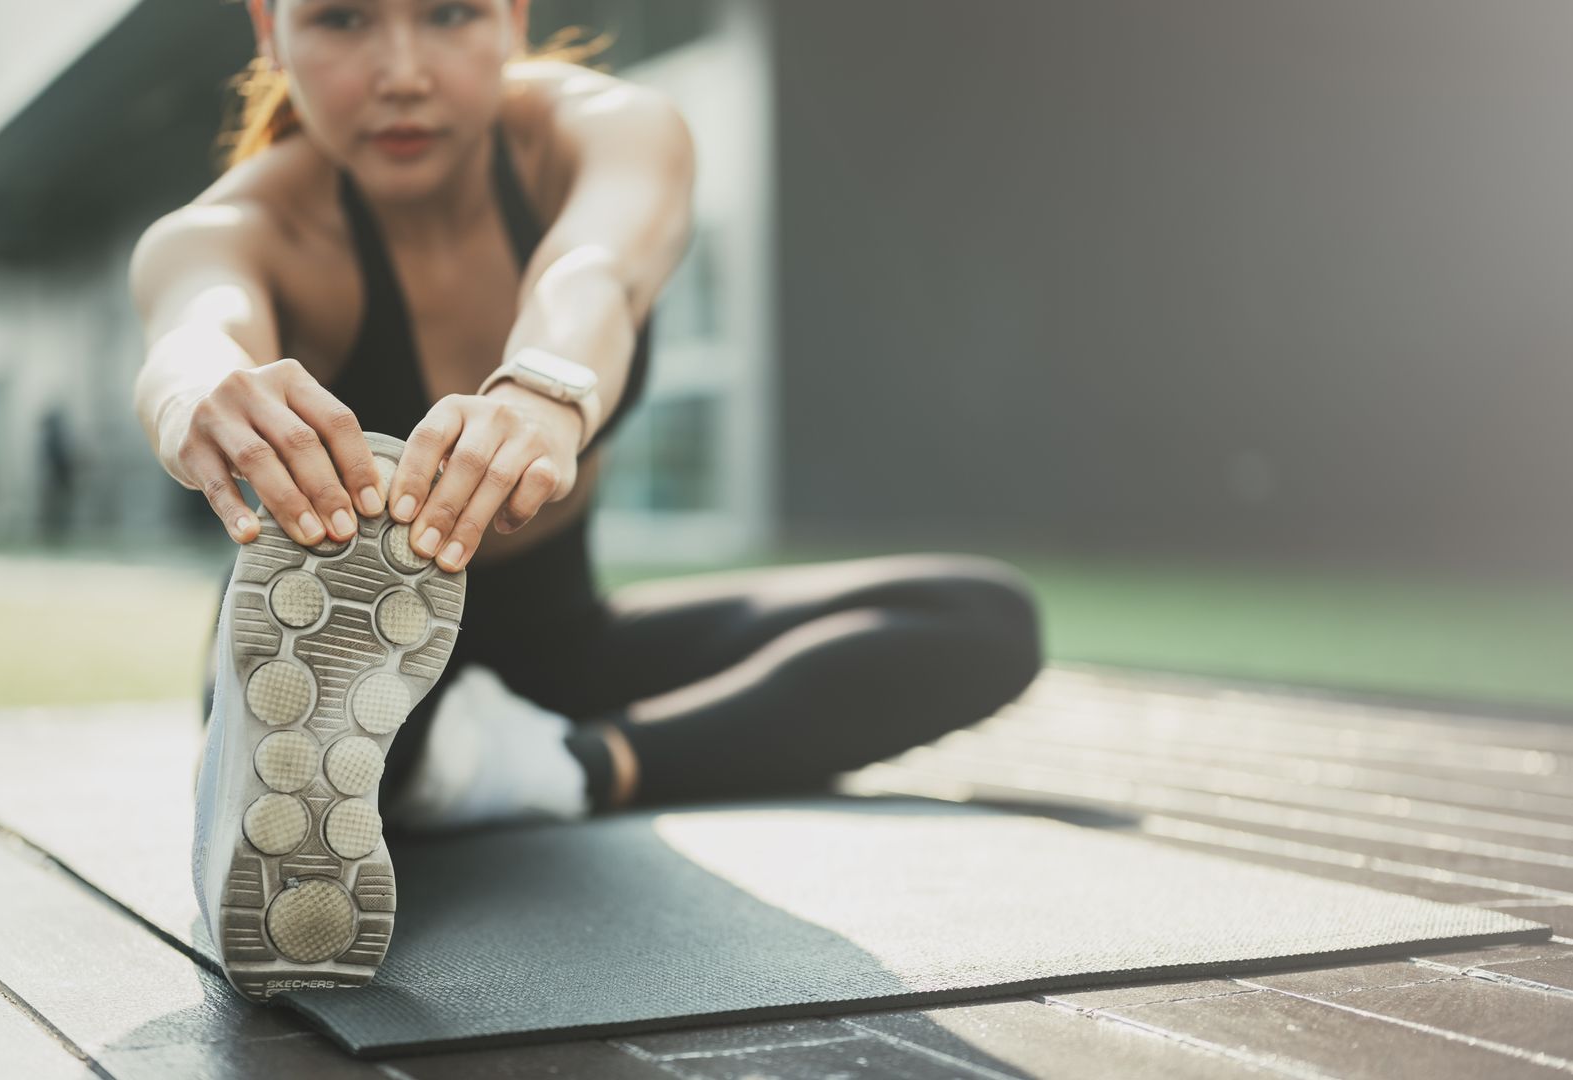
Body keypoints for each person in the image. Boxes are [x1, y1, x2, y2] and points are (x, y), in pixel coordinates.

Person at [129, 0, 1044, 996]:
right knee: (318, 786)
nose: (400, 70)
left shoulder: (607, 132)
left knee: (976, 616)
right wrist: (193, 392)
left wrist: (544, 387)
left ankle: (553, 767)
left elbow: (595, 273)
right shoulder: (238, 226)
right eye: (343, 19)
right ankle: (399, 774)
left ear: (513, 16)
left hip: (562, 647)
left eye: (448, 14)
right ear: (271, 30)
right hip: (338, 667)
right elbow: (195, 324)